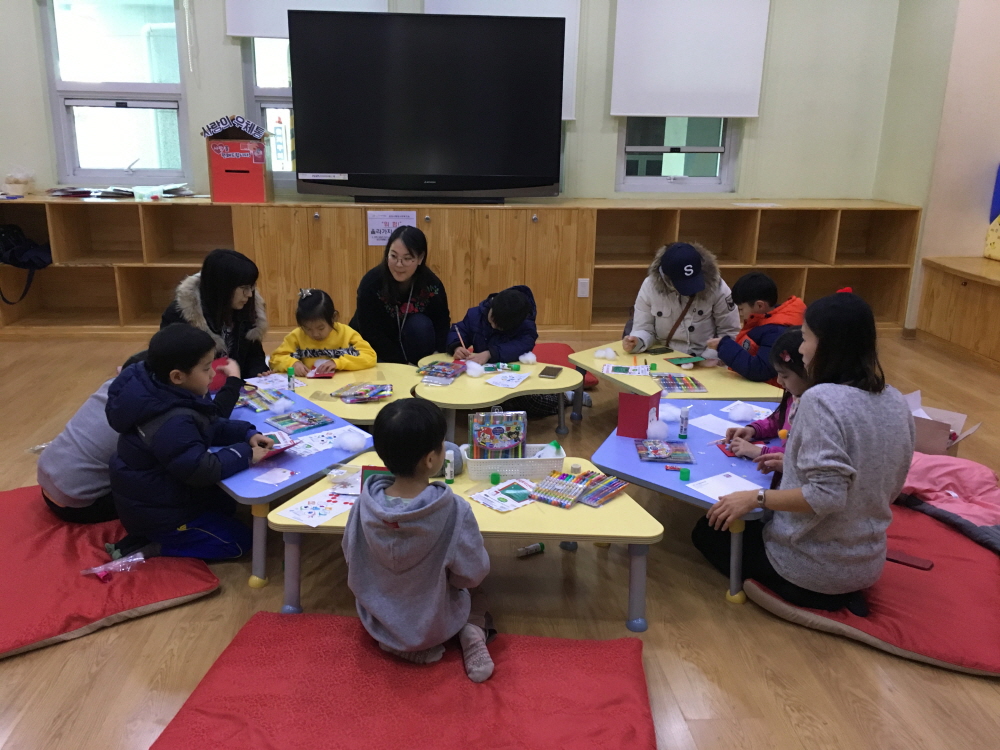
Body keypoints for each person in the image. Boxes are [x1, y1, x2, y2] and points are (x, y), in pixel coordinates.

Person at [693, 293, 914, 615]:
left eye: (807, 338)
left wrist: (755, 498)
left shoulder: (820, 399)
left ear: (828, 344)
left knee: (706, 531)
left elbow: (826, 496)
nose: (800, 349)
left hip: (810, 567)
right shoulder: (895, 399)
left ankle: (817, 595)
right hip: (867, 563)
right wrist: (793, 464)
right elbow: (877, 476)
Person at [342, 398, 495, 683]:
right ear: (431, 460)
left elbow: (351, 556)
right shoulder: (454, 510)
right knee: (480, 592)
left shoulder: (362, 505)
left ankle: (395, 641)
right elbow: (473, 572)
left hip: (380, 618)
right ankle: (472, 632)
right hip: (435, 620)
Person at [106, 324, 273, 560]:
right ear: (177, 376)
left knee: (228, 504)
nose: (213, 375)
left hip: (162, 496)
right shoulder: (172, 421)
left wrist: (246, 433)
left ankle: (157, 535)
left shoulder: (161, 392)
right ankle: (153, 546)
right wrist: (245, 453)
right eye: (206, 369)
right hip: (162, 515)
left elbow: (208, 425)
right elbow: (201, 470)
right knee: (239, 541)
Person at [36, 352, 243, 525]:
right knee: (189, 484)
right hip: (79, 504)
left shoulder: (118, 388)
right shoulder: (155, 411)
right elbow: (205, 430)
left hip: (48, 476)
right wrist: (233, 381)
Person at [350, 226, 450, 365]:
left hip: (412, 345)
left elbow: (442, 324)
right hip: (375, 347)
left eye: (407, 258)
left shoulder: (432, 285)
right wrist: (401, 363)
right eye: (393, 256)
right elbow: (370, 331)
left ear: (420, 258)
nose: (399, 264)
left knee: (420, 324)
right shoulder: (371, 282)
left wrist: (437, 357)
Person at [161, 248, 269, 377]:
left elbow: (254, 355)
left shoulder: (247, 307)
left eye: (252, 287)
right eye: (244, 288)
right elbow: (178, 370)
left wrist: (259, 373)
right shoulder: (179, 317)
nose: (250, 294)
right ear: (222, 287)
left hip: (237, 383)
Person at [623, 242, 740, 356]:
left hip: (705, 356)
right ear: (665, 277)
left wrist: (709, 357)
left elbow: (730, 332)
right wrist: (637, 341)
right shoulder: (650, 286)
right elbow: (644, 328)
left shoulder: (717, 287)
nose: (690, 289)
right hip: (664, 357)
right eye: (683, 283)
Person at [724, 328, 808, 485]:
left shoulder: (814, 411)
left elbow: (801, 459)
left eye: (784, 376)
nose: (779, 381)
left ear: (807, 371)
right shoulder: (794, 397)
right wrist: (753, 430)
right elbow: (778, 420)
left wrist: (759, 451)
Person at [706, 272, 805, 382]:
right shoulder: (763, 320)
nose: (740, 314)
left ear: (760, 305)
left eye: (741, 309)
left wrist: (724, 346)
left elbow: (759, 370)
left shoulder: (777, 330)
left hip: (769, 389)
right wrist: (727, 357)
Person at [270, 289, 376, 377]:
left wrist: (338, 363)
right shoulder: (297, 336)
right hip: (308, 388)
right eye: (307, 329)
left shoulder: (346, 334)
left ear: (334, 317)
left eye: (321, 328)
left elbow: (370, 356)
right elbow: (275, 359)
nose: (315, 334)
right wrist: (293, 364)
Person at [446, 286, 537, 364]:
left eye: (499, 327)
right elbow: (460, 330)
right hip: (480, 369)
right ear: (491, 307)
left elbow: (523, 345)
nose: (493, 326)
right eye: (492, 320)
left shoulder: (525, 324)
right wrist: (456, 347)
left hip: (510, 369)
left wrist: (491, 354)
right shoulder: (476, 314)